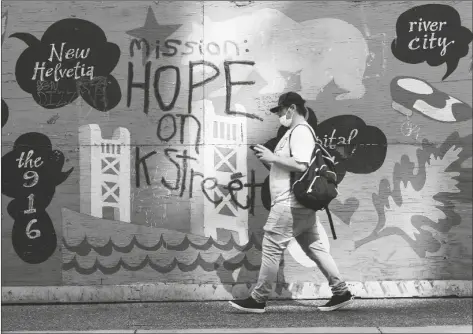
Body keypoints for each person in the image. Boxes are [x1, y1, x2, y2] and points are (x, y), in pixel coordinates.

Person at [229, 92, 354, 313]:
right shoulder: (293, 133)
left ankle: (258, 299)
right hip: (296, 204)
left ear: (292, 108)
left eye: (280, 110)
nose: (279, 115)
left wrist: (273, 157)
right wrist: (271, 161)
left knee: (271, 248)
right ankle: (341, 292)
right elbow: (289, 168)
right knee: (316, 248)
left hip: (289, 204)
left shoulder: (301, 131)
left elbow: (302, 165)